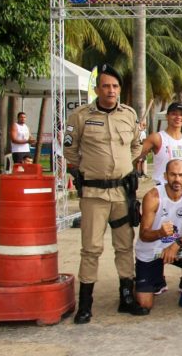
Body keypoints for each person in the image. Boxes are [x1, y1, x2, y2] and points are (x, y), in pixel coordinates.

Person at [64, 64, 145, 324]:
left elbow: (136, 145)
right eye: (106, 86)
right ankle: (85, 305)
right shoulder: (79, 116)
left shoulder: (129, 115)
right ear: (97, 89)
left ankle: (126, 298)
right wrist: (91, 168)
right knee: (91, 249)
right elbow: (70, 151)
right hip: (94, 194)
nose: (110, 90)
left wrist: (123, 167)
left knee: (124, 246)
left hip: (122, 193)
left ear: (119, 89)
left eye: (115, 86)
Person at [134, 160, 182, 312]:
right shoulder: (153, 196)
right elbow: (144, 235)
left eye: (181, 175)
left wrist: (175, 245)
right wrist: (160, 232)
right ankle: (155, 279)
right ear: (165, 176)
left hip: (177, 248)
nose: (177, 179)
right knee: (144, 305)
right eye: (173, 175)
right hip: (151, 250)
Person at [135, 102, 182, 187]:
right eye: (174, 114)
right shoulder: (157, 138)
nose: (178, 117)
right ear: (167, 116)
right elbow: (135, 155)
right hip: (164, 187)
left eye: (181, 115)